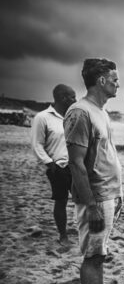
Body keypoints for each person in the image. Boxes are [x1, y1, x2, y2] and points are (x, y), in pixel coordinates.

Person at [63, 58, 124, 284]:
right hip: (96, 197)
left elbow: (104, 155)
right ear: (101, 81)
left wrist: (118, 193)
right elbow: (76, 164)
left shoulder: (100, 111)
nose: (118, 83)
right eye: (114, 78)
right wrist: (91, 205)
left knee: (99, 254)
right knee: (92, 257)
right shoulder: (80, 113)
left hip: (109, 193)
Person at [30, 84, 77, 245]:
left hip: (77, 166)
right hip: (58, 167)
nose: (75, 100)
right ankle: (63, 235)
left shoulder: (74, 116)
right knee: (61, 200)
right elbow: (37, 144)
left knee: (84, 200)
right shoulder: (43, 117)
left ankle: (84, 231)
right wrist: (50, 164)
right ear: (63, 98)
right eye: (72, 97)